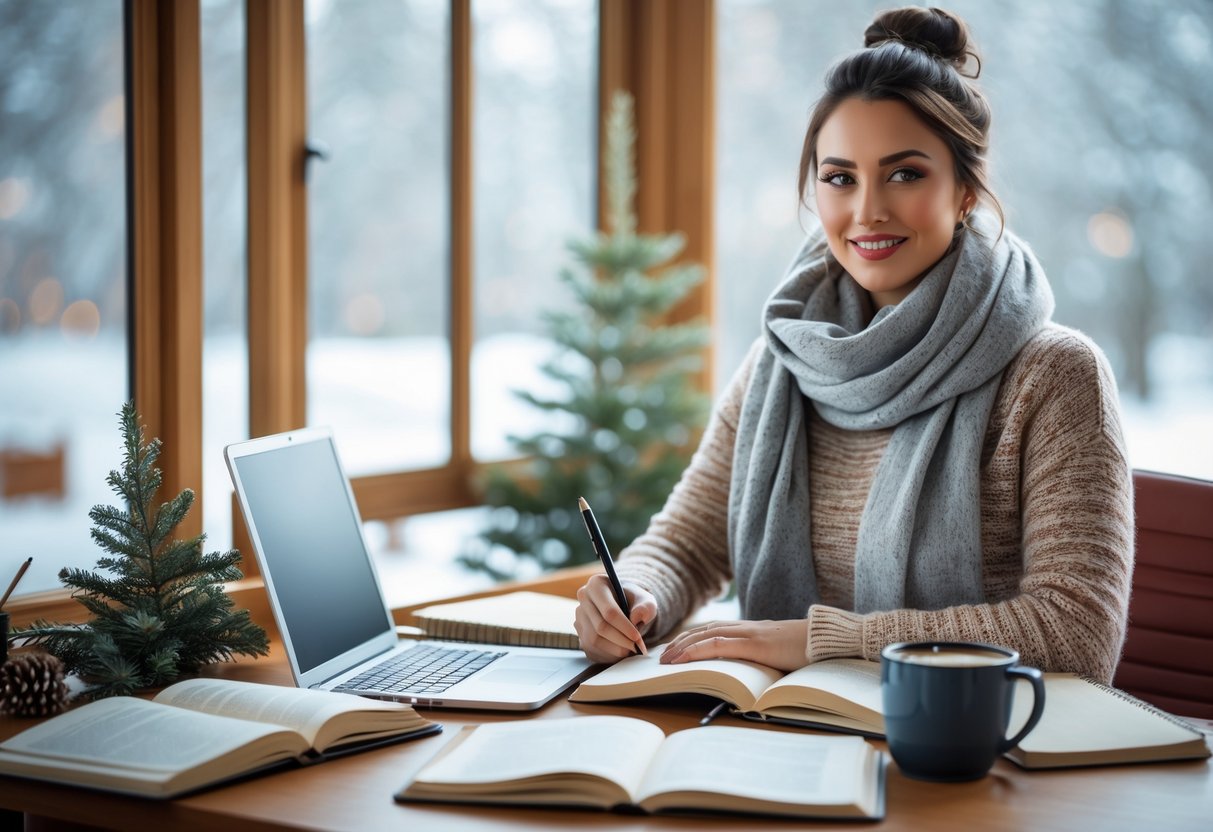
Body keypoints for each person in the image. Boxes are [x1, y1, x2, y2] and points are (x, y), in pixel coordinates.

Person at [573, 6, 1133, 684]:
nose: (867, 209)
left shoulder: (1053, 376)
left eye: (904, 174)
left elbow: (1074, 632)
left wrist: (824, 642)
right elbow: (687, 542)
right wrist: (633, 593)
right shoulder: (782, 362)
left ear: (963, 192)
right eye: (839, 177)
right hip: (780, 744)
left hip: (969, 758)